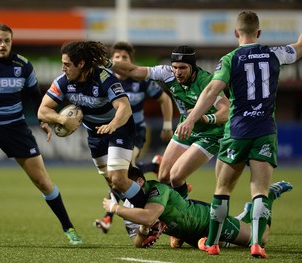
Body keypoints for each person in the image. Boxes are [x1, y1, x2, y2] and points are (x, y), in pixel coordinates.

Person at [175, 11, 302, 258]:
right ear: (259, 33)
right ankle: (257, 244)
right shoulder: (275, 53)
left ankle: (212, 243)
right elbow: (300, 46)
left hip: (237, 131)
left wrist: (191, 118)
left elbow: (212, 90)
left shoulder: (230, 59)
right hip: (265, 131)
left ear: (236, 33)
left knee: (222, 189)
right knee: (260, 190)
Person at [0, 24, 82, 246]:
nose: (3, 45)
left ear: (11, 42)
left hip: (16, 129)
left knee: (42, 181)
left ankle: (69, 228)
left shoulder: (22, 65)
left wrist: (42, 120)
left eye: (7, 41)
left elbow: (34, 96)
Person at [104, 45, 230, 199]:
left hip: (211, 133)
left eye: (183, 67)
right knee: (164, 176)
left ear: (193, 66)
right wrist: (107, 63)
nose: (177, 72)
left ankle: (183, 213)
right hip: (186, 128)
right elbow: (132, 70)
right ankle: (178, 206)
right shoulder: (167, 73)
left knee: (176, 177)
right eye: (175, 67)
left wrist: (206, 118)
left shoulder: (206, 82)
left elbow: (226, 111)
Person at [37, 41, 148, 212]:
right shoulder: (63, 82)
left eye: (67, 64)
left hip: (120, 128)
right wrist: (62, 119)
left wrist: (113, 125)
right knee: (113, 183)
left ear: (81, 64)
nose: (63, 68)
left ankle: (152, 215)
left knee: (118, 178)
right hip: (95, 134)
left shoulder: (104, 78)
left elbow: (124, 108)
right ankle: (141, 190)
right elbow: (42, 111)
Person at [102, 166, 293, 250]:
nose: (121, 190)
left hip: (206, 221)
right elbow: (137, 242)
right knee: (231, 242)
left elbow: (150, 217)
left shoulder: (156, 189)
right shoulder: (130, 206)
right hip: (192, 236)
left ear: (140, 181)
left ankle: (268, 197)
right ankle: (249, 211)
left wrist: (114, 209)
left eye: (123, 184)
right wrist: (143, 233)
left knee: (259, 239)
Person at [94, 41, 173, 234]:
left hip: (135, 131)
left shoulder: (141, 81)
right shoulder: (105, 79)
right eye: (117, 57)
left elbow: (164, 98)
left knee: (122, 173)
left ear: (130, 61)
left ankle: (108, 217)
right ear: (112, 60)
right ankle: (153, 165)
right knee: (117, 175)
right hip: (112, 130)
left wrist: (168, 125)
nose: (120, 60)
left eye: (125, 58)